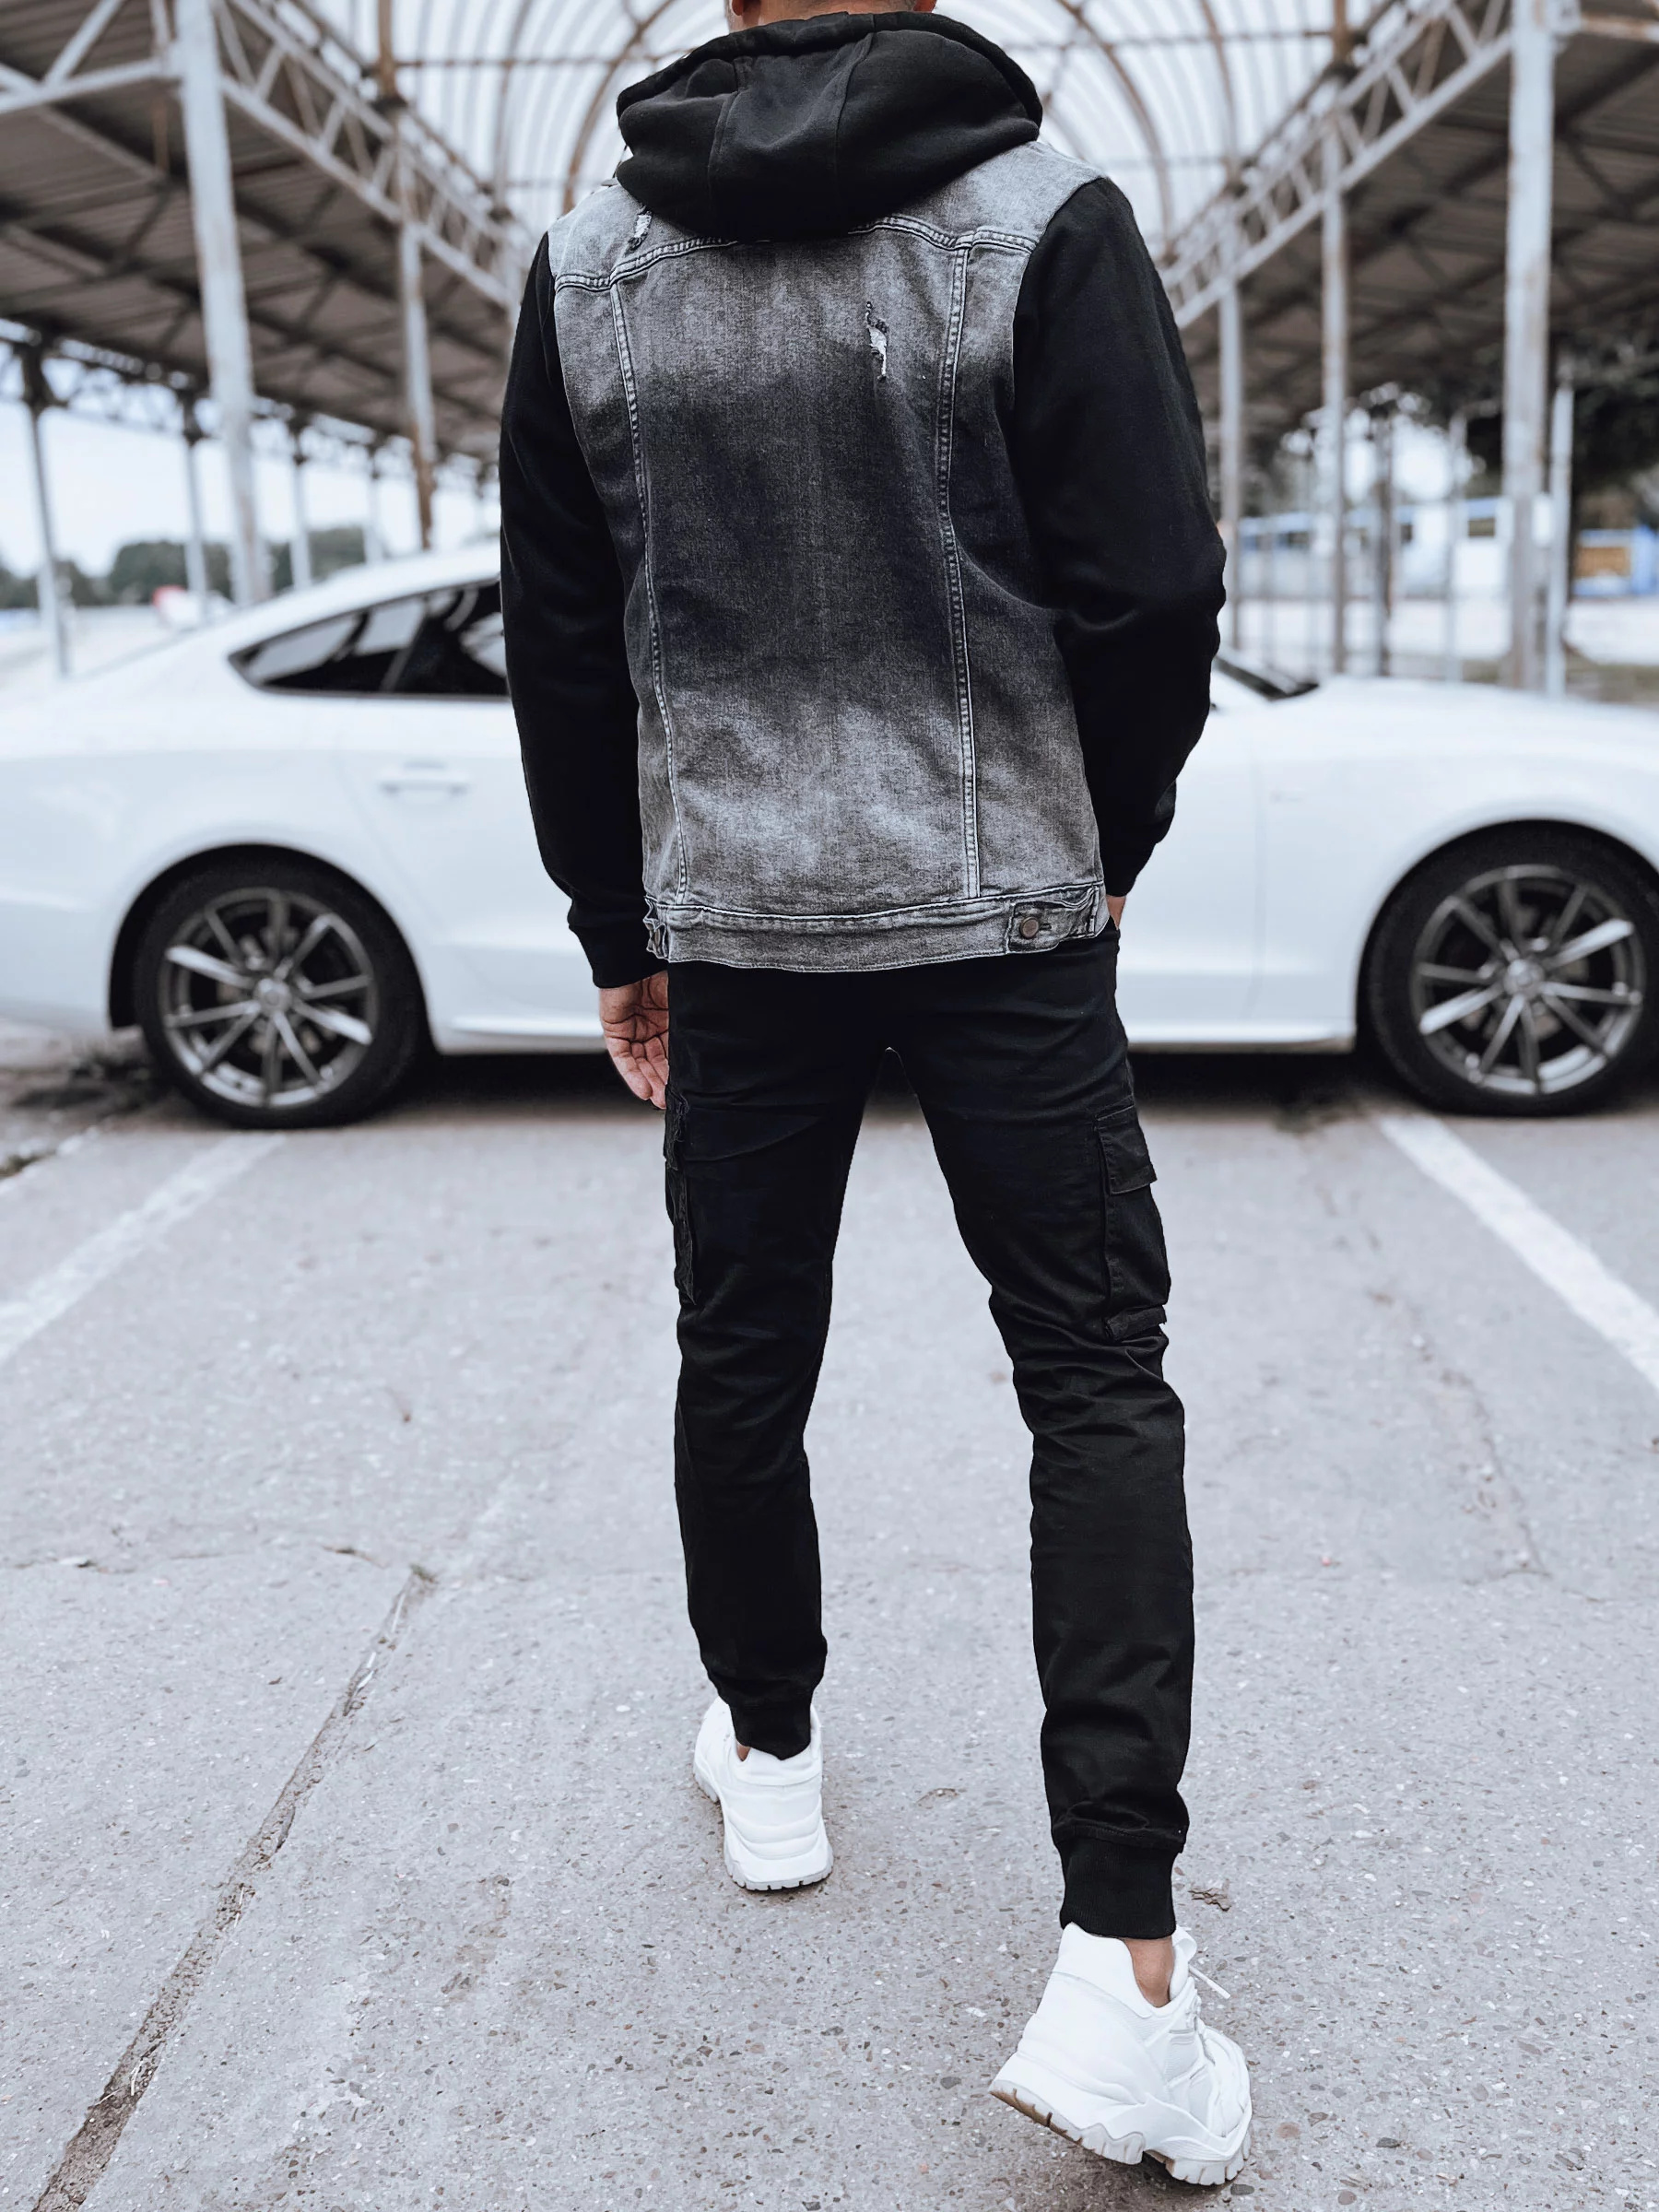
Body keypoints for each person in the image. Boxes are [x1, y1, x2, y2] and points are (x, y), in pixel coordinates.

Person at [500, 0, 1250, 2184]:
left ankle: (772, 1757)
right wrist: (1101, 836)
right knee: (1092, 1379)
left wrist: (619, 928)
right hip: (1008, 910)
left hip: (739, 924)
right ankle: (1122, 1963)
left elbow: (565, 640)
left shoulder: (589, 272)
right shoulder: (1045, 218)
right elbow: (1154, 588)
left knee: (743, 1352)